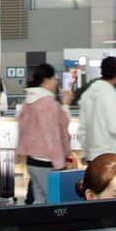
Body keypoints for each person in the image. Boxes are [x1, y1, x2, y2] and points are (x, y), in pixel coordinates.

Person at [15, 63, 72, 204]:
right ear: (46, 80)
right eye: (54, 78)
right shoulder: (47, 102)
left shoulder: (29, 101)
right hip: (47, 161)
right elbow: (52, 134)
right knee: (57, 201)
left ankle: (34, 225)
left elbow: (22, 129)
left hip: (32, 160)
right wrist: (60, 163)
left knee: (40, 200)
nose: (56, 81)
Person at [76, 56, 116, 161]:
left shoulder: (87, 94)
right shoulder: (111, 95)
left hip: (91, 155)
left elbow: (82, 128)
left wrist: (84, 152)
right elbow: (115, 128)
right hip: (108, 155)